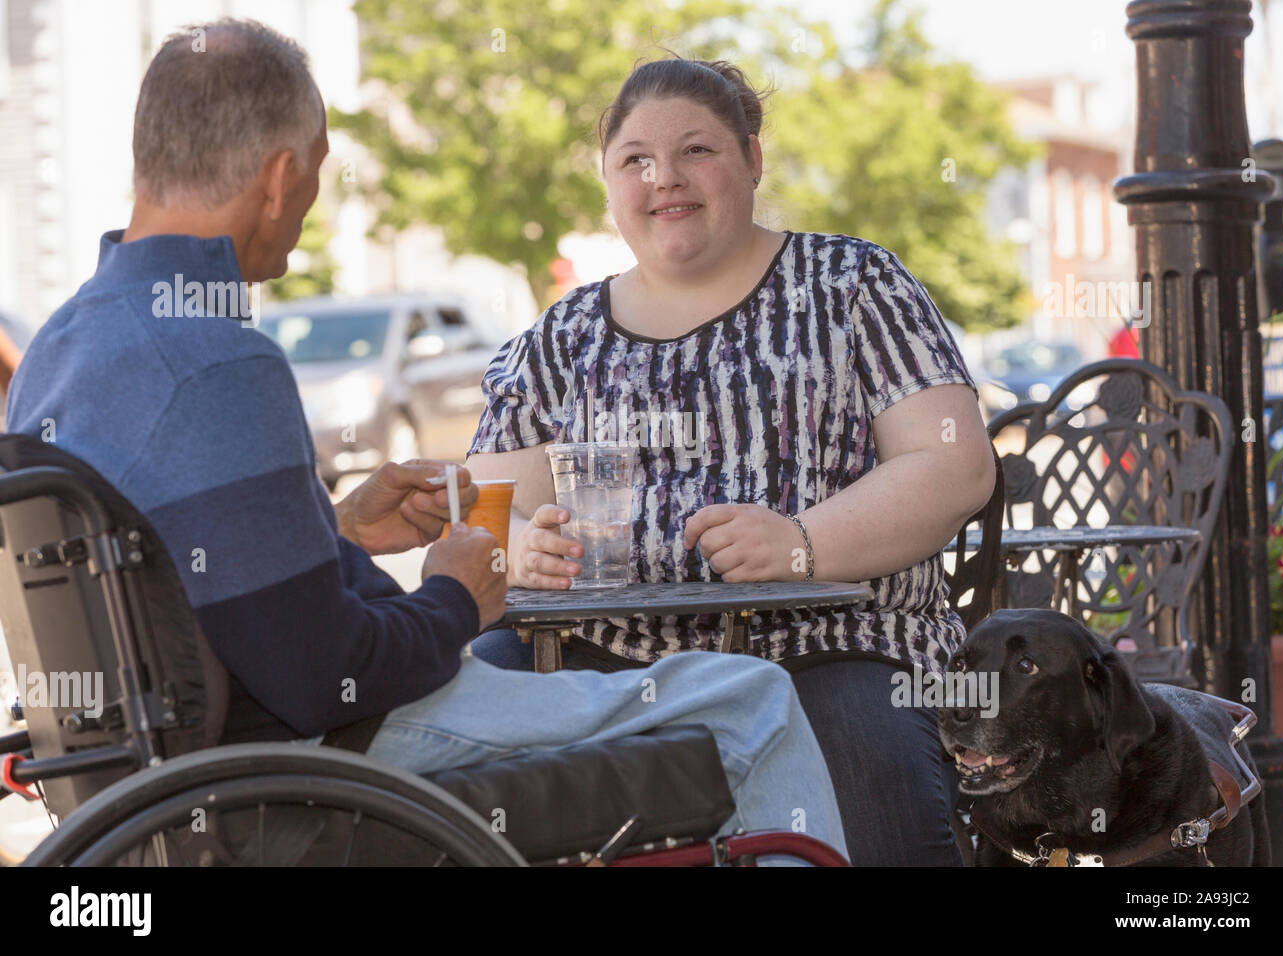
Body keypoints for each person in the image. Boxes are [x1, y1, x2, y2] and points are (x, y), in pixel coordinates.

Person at [3, 20, 846, 861]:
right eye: (319, 170)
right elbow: (320, 677)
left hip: (143, 795)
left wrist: (331, 527)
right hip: (331, 755)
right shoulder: (216, 360)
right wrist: (452, 598)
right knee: (754, 699)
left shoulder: (62, 348)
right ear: (280, 176)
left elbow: (162, 580)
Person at [467, 57, 997, 865]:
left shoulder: (850, 284)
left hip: (829, 645)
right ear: (609, 182)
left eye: (697, 151)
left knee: (875, 800)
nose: (665, 178)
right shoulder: (563, 334)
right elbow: (490, 506)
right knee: (452, 739)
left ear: (752, 158)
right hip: (596, 653)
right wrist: (520, 550)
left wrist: (801, 543)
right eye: (635, 160)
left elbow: (954, 464)